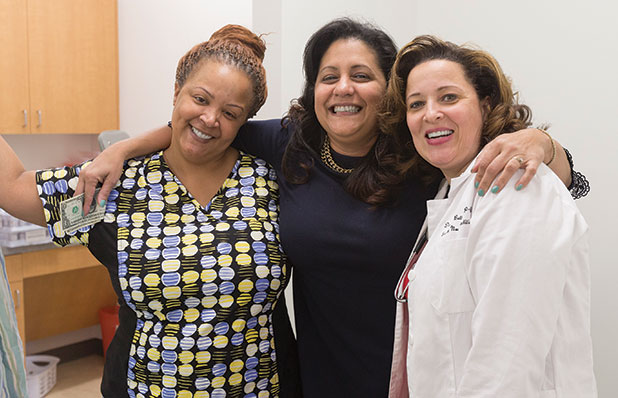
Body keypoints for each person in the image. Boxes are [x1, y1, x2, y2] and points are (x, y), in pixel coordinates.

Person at [73, 19, 584, 397]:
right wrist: (120, 148)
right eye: (328, 75)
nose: (343, 88)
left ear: (388, 92)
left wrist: (542, 143)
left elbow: (562, 182)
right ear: (312, 88)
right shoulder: (290, 142)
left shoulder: (421, 148)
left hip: (416, 372)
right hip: (319, 373)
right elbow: (207, 126)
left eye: (361, 75)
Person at [0, 24, 301, 398]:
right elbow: (9, 185)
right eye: (200, 98)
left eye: (230, 112)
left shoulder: (271, 180)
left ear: (245, 122)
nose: (211, 119)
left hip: (262, 388)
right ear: (177, 92)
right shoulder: (114, 190)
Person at [383, 35, 596, 397]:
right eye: (416, 103)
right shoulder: (448, 194)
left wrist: (545, 143)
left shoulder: (518, 186)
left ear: (486, 104)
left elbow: (507, 359)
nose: (431, 113)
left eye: (449, 97)